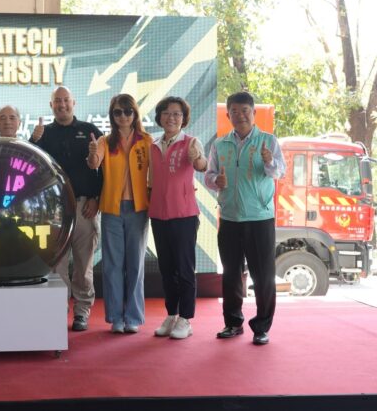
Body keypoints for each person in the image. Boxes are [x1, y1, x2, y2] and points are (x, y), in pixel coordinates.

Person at [204, 91, 286, 345]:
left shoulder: (268, 141)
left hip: (260, 218)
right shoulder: (219, 144)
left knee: (263, 276)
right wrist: (216, 181)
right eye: (235, 112)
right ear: (228, 115)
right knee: (231, 275)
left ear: (254, 113)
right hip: (229, 218)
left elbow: (279, 173)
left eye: (245, 111)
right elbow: (209, 176)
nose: (240, 116)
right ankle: (232, 323)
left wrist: (269, 161)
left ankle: (262, 327)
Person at [30, 86, 102, 331]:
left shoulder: (90, 131)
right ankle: (57, 311)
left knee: (83, 266)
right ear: (51, 105)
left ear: (74, 103)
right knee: (56, 267)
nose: (62, 105)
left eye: (66, 100)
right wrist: (33, 141)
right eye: (57, 101)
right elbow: (31, 167)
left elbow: (103, 168)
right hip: (53, 210)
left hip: (84, 207)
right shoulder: (43, 133)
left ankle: (82, 312)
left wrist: (96, 198)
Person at [87, 94, 152, 334]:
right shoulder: (105, 141)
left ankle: (133, 317)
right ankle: (115, 317)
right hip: (112, 209)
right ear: (112, 116)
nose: (123, 116)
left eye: (127, 111)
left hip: (138, 209)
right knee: (113, 264)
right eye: (117, 112)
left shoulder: (146, 141)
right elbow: (94, 163)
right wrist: (92, 153)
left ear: (135, 114)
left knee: (135, 264)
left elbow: (157, 173)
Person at [149, 96, 207, 340]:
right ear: (160, 117)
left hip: (184, 215)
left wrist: (196, 158)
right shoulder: (153, 145)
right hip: (158, 215)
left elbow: (202, 165)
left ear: (183, 119)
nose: (171, 117)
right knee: (167, 269)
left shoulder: (191, 142)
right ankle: (171, 314)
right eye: (166, 113)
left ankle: (186, 319)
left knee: (184, 269)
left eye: (176, 114)